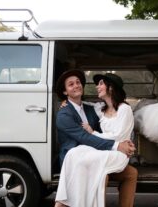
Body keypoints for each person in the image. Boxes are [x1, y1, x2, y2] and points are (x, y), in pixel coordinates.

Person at [54, 70, 137, 207]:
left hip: (98, 153)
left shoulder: (92, 108)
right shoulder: (64, 115)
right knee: (100, 177)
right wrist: (117, 145)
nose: (76, 86)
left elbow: (116, 124)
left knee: (131, 173)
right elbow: (85, 137)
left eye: (78, 82)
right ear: (65, 92)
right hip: (77, 158)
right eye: (71, 84)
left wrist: (126, 143)